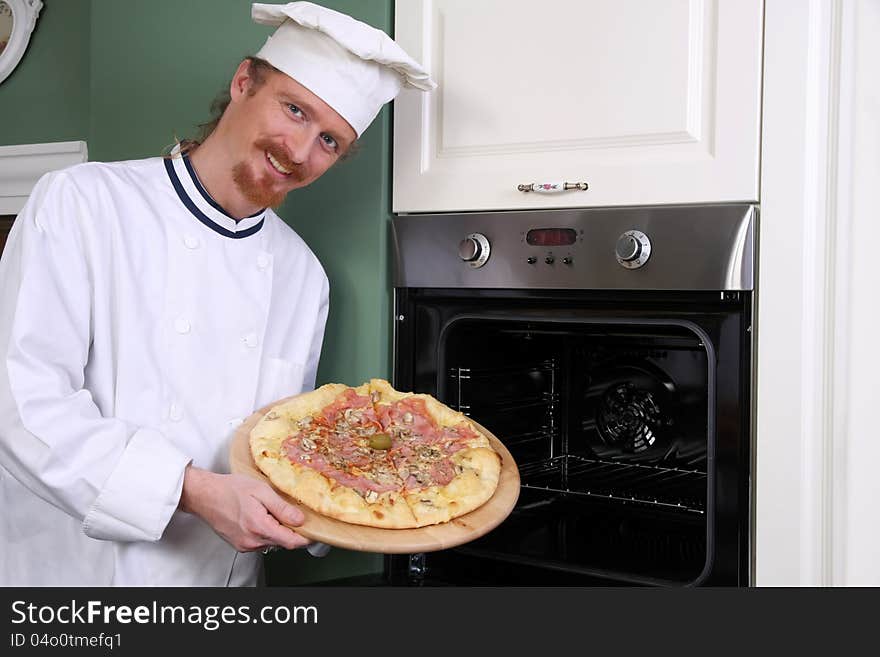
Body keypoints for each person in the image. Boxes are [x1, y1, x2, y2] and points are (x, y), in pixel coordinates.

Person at [0, 2, 435, 586]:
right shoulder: (82, 203)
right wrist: (194, 491)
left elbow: (277, 447)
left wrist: (345, 494)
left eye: (330, 140)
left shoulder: (304, 277)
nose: (301, 152)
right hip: (74, 582)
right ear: (242, 82)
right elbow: (23, 407)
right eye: (294, 110)